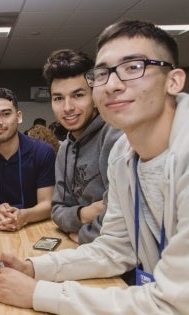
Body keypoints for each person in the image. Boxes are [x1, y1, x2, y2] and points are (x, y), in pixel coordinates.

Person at [0, 20, 189, 315]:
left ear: (174, 80)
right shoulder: (125, 153)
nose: (113, 84)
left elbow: (176, 313)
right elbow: (113, 249)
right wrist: (31, 268)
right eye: (103, 73)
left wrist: (39, 294)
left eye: (134, 67)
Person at [43, 49, 123, 244]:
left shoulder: (115, 136)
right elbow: (57, 211)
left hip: (125, 263)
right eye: (58, 98)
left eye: (78, 95)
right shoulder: (65, 149)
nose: (68, 107)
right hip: (87, 254)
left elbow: (120, 215)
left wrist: (84, 235)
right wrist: (85, 214)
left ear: (95, 96)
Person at [0, 88, 56, 231]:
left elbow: (47, 204)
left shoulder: (42, 151)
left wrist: (25, 216)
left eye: (6, 114)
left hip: (34, 226)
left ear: (19, 116)